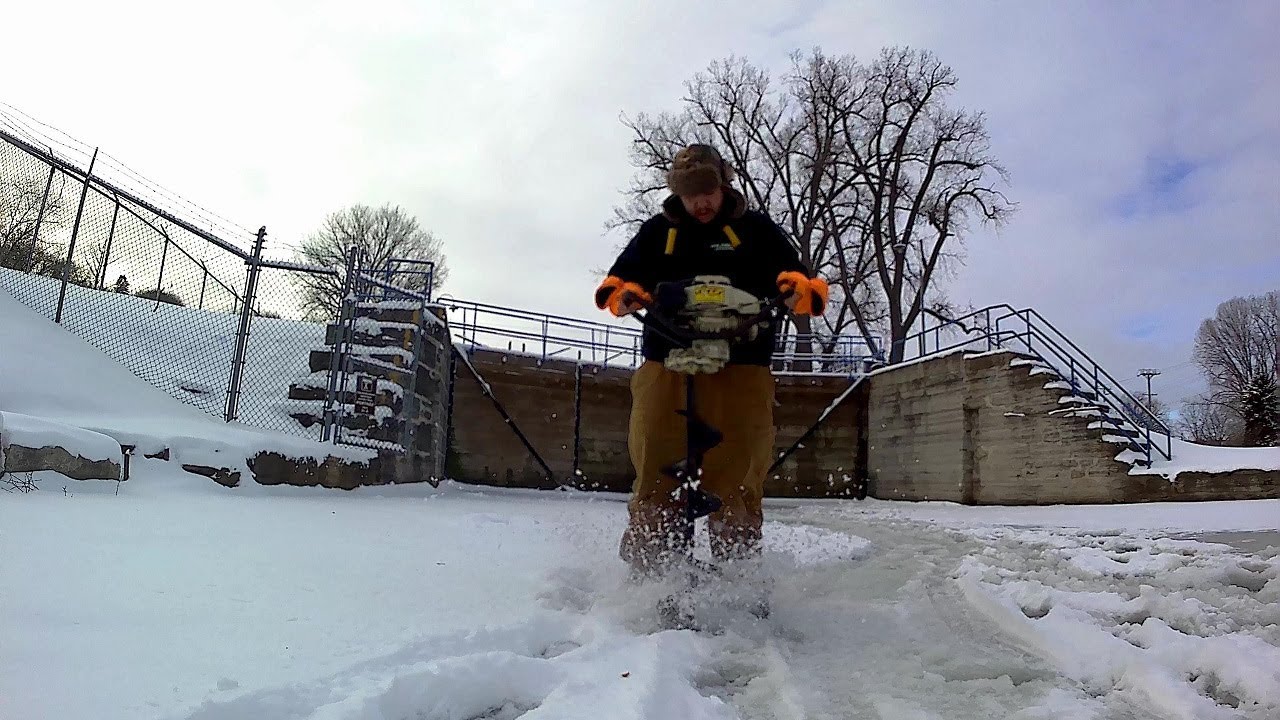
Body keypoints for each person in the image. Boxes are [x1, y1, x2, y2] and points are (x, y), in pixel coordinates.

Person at [594, 143, 828, 577]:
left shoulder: (755, 230)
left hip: (742, 366)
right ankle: (653, 581)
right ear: (677, 193)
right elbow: (619, 280)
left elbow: (798, 278)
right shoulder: (655, 233)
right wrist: (622, 295)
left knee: (736, 477)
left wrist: (801, 290)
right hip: (666, 363)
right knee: (655, 468)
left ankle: (738, 582)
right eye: (689, 193)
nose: (700, 202)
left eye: (707, 190)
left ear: (724, 184)